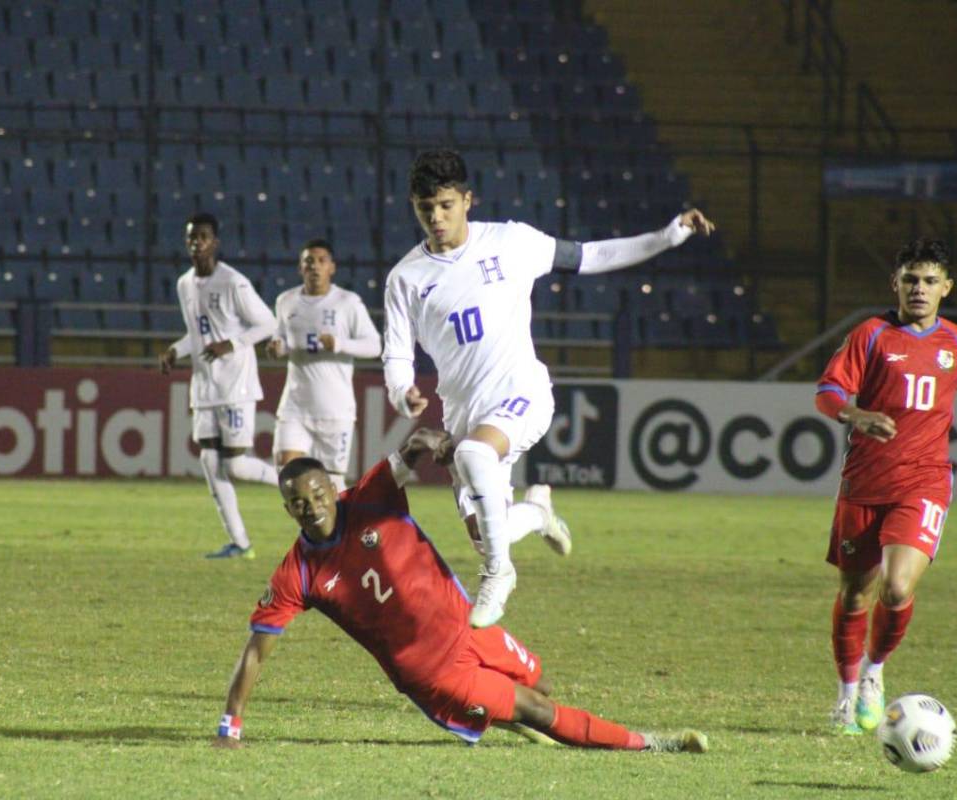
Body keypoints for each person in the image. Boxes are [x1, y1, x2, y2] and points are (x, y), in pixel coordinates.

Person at [212, 428, 710, 753]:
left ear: (331, 486)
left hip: (470, 625)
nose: (312, 506)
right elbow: (256, 652)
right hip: (431, 670)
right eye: (299, 503)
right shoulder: (297, 574)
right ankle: (652, 743)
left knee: (542, 685)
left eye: (318, 493)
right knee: (538, 711)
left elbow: (409, 450)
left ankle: (507, 709)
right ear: (288, 511)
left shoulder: (370, 497)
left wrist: (431, 440)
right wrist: (229, 728)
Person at [383, 148, 716, 627]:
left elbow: (592, 255)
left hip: (521, 393)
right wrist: (401, 391)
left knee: (471, 459)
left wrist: (669, 235)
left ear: (468, 200)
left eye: (445, 205)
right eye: (424, 208)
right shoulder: (405, 279)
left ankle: (498, 574)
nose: (435, 217)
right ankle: (537, 512)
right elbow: (397, 353)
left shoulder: (512, 242)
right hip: (464, 413)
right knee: (484, 528)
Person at [815, 238, 957, 734]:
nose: (920, 289)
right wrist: (857, 413)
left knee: (896, 588)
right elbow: (828, 392)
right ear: (894, 283)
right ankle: (847, 694)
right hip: (864, 482)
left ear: (947, 288)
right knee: (855, 594)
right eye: (911, 279)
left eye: (930, 281)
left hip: (924, 482)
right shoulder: (870, 335)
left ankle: (874, 673)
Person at [159, 212, 279, 560]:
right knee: (210, 462)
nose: (196, 243)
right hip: (205, 385)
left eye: (203, 237)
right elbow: (197, 334)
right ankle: (239, 543)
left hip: (235, 386)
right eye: (191, 237)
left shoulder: (233, 282)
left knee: (237, 466)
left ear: (216, 242)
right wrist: (175, 350)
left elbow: (267, 323)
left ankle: (289, 480)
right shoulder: (185, 284)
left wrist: (232, 344)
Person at [265, 238, 382, 491]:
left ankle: (338, 531)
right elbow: (282, 337)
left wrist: (339, 344)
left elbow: (375, 346)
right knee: (288, 474)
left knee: (332, 486)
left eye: (321, 261)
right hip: (295, 406)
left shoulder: (347, 302)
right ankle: (304, 531)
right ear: (300, 268)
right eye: (309, 261)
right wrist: (278, 348)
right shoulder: (286, 300)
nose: (315, 266)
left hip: (334, 409)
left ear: (332, 267)